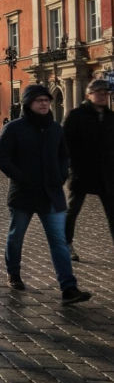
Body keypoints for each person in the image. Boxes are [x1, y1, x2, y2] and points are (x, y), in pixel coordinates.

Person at [0, 84, 91, 304]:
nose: (45, 103)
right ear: (29, 103)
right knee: (16, 236)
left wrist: (61, 174)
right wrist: (21, 177)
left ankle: (69, 288)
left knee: (59, 241)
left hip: (51, 194)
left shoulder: (55, 128)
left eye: (47, 100)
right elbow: (1, 158)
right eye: (39, 100)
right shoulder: (14, 128)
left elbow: (64, 155)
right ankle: (13, 272)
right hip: (24, 194)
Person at [63, 78, 114, 262]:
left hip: (107, 175)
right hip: (81, 172)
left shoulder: (110, 117)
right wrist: (69, 167)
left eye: (106, 93)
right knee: (72, 210)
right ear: (88, 95)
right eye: (99, 92)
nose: (103, 96)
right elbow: (65, 144)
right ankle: (66, 244)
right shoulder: (76, 115)